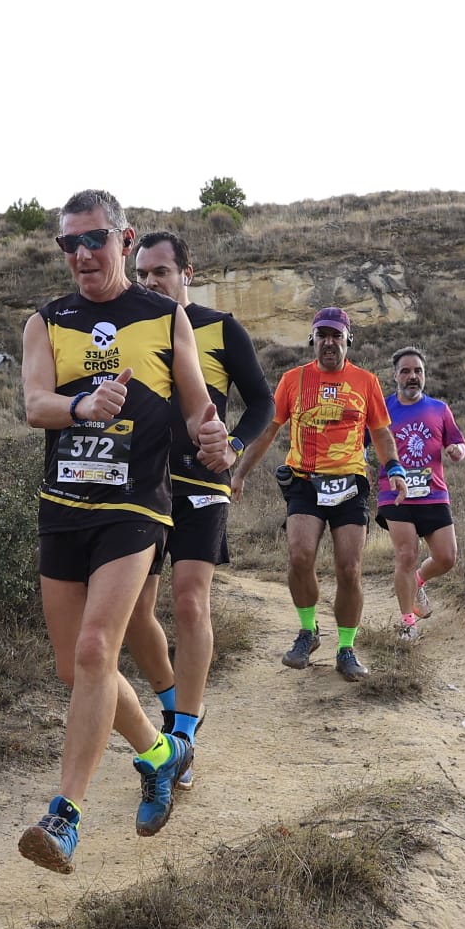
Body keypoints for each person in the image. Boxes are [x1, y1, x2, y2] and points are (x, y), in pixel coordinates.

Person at [16, 190, 230, 874]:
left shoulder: (166, 317)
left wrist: (215, 438)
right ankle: (162, 752)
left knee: (93, 649)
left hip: (136, 506)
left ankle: (64, 817)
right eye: (68, 244)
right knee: (75, 668)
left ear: (126, 239)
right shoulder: (47, 322)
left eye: (95, 240)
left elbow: (198, 409)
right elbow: (35, 404)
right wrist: (82, 403)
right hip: (63, 504)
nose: (82, 255)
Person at [124, 231, 271, 788]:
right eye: (142, 274)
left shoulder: (220, 327)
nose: (150, 282)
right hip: (139, 488)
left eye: (161, 272)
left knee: (189, 603)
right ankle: (172, 712)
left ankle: (183, 735)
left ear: (188, 272)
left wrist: (232, 449)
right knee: (137, 615)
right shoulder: (131, 326)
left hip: (201, 484)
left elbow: (262, 401)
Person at [231, 307, 404, 682]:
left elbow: (382, 434)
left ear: (347, 340)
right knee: (300, 555)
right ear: (313, 340)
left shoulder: (366, 381)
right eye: (322, 335)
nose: (329, 342)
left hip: (349, 482)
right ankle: (308, 632)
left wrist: (395, 470)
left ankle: (346, 648)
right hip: (304, 481)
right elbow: (268, 431)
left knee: (350, 568)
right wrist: (240, 472)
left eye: (336, 335)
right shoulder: (293, 380)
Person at [374, 347, 465, 641]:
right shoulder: (382, 408)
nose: (412, 376)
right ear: (394, 375)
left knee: (446, 557)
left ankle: (418, 582)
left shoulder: (439, 409)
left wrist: (457, 451)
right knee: (406, 554)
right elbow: (360, 439)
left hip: (434, 494)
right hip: (395, 495)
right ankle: (407, 623)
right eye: (405, 371)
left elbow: (458, 443)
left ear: (424, 375)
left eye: (418, 371)